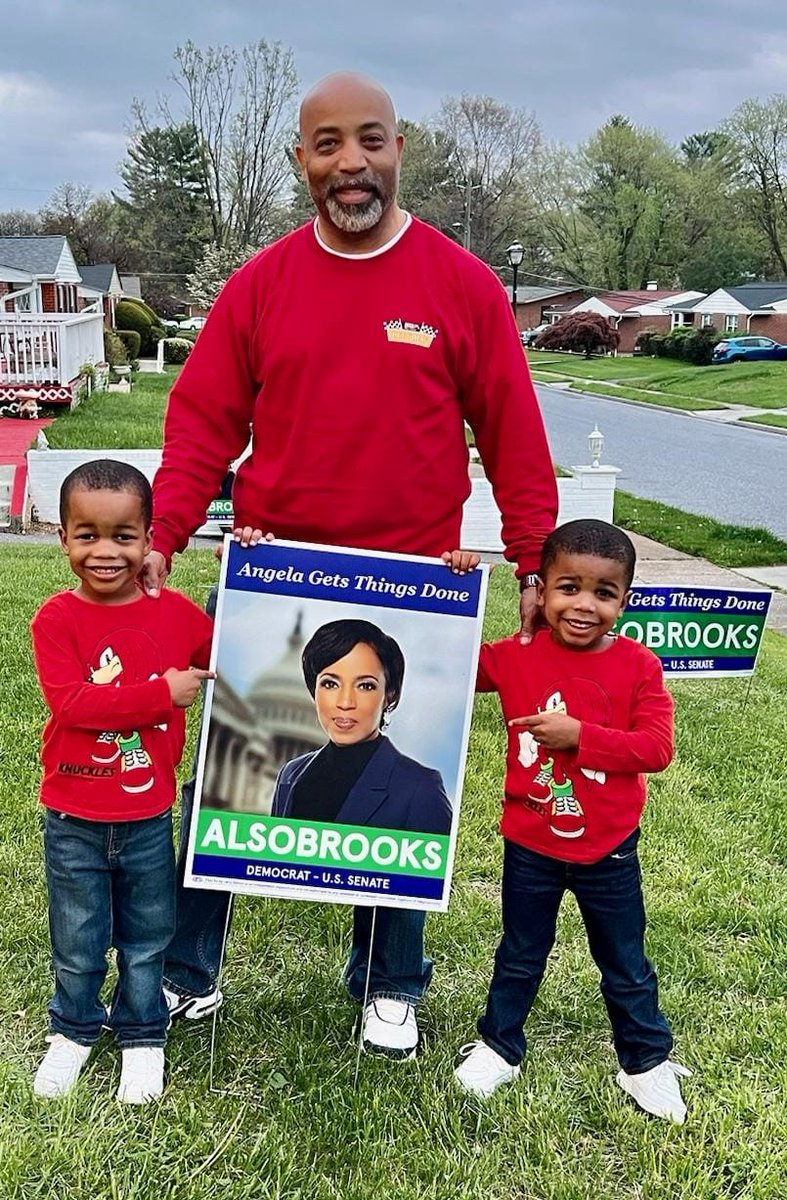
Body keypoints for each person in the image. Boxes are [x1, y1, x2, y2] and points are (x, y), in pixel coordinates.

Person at [147, 70, 557, 1058]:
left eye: (367, 140)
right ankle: (189, 973)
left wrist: (535, 556)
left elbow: (510, 427)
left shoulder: (458, 285)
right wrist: (162, 533)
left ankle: (389, 986)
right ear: (302, 162)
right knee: (229, 782)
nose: (349, 163)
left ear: (398, 147)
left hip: (413, 584)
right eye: (326, 145)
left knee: (402, 796)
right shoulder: (262, 285)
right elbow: (203, 419)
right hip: (274, 580)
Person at [451, 520, 691, 1122]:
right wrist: (453, 582)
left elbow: (656, 749)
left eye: (603, 593)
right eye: (568, 587)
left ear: (624, 600)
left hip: (608, 849)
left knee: (625, 960)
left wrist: (579, 737)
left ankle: (645, 1060)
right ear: (540, 592)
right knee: (521, 951)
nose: (584, 605)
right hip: (529, 843)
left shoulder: (639, 667)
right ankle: (499, 1046)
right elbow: (444, 664)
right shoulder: (516, 656)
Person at [30, 460, 214, 1103]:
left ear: (148, 539)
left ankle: (142, 1036)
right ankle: (74, 1030)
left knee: (147, 938)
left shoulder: (179, 616)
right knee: (78, 939)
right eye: (87, 535)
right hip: (74, 818)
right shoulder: (55, 619)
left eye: (124, 536)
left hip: (146, 820)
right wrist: (161, 692)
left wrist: (255, 561)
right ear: (63, 538)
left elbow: (240, 647)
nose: (105, 552)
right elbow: (73, 705)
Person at [271, 619, 451, 838]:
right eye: (330, 684)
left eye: (365, 686)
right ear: (313, 689)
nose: (346, 702)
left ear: (389, 693)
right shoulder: (290, 775)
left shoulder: (420, 789)